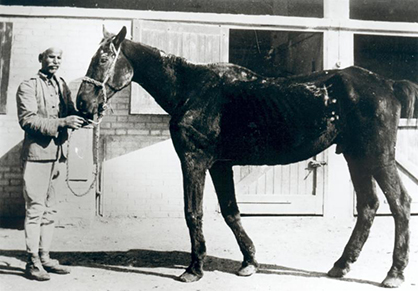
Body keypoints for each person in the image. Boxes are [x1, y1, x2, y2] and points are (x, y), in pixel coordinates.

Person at [16, 47, 85, 281]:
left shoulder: (62, 85)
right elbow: (27, 120)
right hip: (37, 155)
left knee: (50, 211)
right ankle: (32, 261)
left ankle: (44, 257)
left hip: (57, 156)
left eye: (59, 58)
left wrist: (89, 114)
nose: (55, 61)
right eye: (51, 57)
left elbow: (71, 113)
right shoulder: (28, 85)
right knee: (35, 209)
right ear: (41, 59)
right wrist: (63, 121)